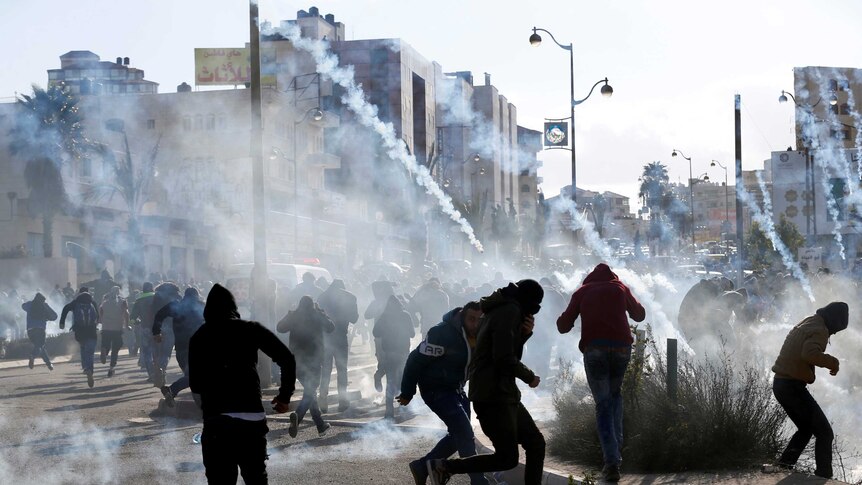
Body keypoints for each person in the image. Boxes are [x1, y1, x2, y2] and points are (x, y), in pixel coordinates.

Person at [427, 280, 545, 485]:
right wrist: (529, 377)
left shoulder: (500, 308)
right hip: (494, 395)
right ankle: (445, 467)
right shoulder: (509, 311)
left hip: (501, 392)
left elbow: (502, 349)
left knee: (535, 443)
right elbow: (503, 357)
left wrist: (524, 334)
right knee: (506, 458)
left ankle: (444, 467)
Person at [189, 283, 296, 485]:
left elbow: (195, 385)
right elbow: (287, 358)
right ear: (233, 307)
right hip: (251, 419)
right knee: (256, 478)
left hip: (217, 421)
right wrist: (284, 397)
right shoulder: (250, 329)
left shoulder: (199, 336)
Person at [556, 263, 646, 483]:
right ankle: (616, 449)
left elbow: (563, 326)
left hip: (595, 349)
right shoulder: (620, 288)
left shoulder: (582, 291)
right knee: (615, 397)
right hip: (622, 349)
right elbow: (640, 315)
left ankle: (612, 461)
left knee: (603, 403)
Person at [398, 301, 489, 485]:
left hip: (457, 389)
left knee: (458, 436)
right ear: (463, 316)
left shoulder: (481, 334)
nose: (475, 324)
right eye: (471, 319)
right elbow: (415, 360)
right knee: (464, 432)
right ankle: (479, 481)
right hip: (436, 390)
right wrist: (407, 392)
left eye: (479, 320)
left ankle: (422, 467)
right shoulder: (442, 333)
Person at [771, 301, 848, 479]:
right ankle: (824, 477)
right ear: (835, 321)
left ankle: (784, 465)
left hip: (781, 384)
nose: (833, 333)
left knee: (806, 429)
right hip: (791, 386)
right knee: (825, 433)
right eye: (836, 330)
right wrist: (832, 362)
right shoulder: (821, 329)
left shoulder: (810, 320)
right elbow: (809, 353)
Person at [277, 296, 334, 437]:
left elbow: (280, 327)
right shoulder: (317, 315)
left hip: (296, 361)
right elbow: (331, 327)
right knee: (310, 392)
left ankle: (320, 425)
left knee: (310, 392)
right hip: (314, 361)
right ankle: (298, 415)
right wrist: (321, 312)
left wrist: (290, 314)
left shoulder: (294, 315)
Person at [153, 286, 205, 406]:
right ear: (197, 296)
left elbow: (159, 315)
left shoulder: (177, 305)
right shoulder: (201, 306)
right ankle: (171, 390)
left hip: (181, 350)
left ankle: (200, 405)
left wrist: (156, 331)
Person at [317, 279, 359, 412]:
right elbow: (354, 318)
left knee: (326, 369)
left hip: (325, 338)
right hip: (341, 337)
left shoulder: (322, 296)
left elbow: (316, 318)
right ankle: (342, 400)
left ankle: (323, 399)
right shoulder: (350, 297)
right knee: (342, 369)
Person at [373, 294, 415, 419]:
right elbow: (412, 334)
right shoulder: (405, 315)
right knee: (402, 381)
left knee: (390, 381)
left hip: (389, 353)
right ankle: (402, 408)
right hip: (403, 353)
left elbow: (375, 332)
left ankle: (389, 411)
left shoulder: (385, 316)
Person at [59, 287, 101, 388]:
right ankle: (89, 369)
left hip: (80, 332)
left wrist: (62, 322)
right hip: (91, 331)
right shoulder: (92, 302)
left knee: (83, 348)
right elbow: (98, 317)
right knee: (90, 352)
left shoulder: (75, 302)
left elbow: (65, 308)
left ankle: (85, 367)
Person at [22, 292, 58, 370]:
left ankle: (49, 364)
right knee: (39, 346)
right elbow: (55, 316)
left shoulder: (30, 304)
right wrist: (47, 317)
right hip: (40, 330)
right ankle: (33, 355)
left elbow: (23, 306)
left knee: (40, 347)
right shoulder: (44, 305)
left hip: (30, 330)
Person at [99, 286, 129, 378]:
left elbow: (100, 311)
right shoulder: (122, 301)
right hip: (117, 329)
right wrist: (127, 325)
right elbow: (126, 313)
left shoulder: (105, 300)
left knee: (106, 344)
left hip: (106, 328)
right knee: (116, 349)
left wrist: (101, 321)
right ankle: (111, 368)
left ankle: (105, 351)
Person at [130, 282, 157, 381]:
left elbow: (132, 318)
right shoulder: (158, 298)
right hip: (159, 328)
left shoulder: (139, 300)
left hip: (145, 328)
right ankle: (161, 370)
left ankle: (151, 374)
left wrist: (136, 322)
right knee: (158, 351)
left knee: (146, 352)